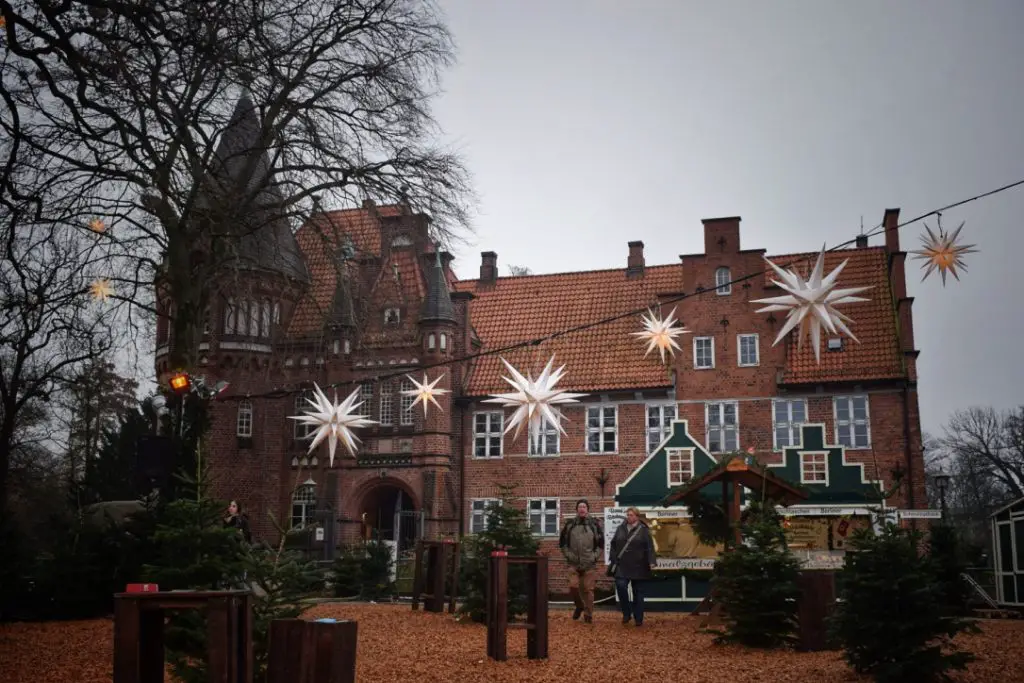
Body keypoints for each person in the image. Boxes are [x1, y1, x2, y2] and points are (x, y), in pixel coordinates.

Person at [609, 506, 657, 626]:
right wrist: (614, 559)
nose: (629, 517)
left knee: (638, 593)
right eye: (628, 515)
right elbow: (613, 544)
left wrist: (652, 561)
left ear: (637, 516)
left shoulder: (644, 530)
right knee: (620, 586)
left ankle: (638, 617)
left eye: (631, 515)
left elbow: (649, 547)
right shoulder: (621, 528)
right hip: (622, 565)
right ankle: (626, 612)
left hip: (639, 565)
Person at [558, 499, 603, 623]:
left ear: (587, 509)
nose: (582, 508)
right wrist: (569, 555)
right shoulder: (570, 525)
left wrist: (594, 557)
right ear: (577, 510)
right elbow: (562, 544)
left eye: (584, 506)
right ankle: (579, 606)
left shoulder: (594, 525)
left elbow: (600, 544)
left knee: (588, 590)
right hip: (573, 563)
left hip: (589, 564)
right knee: (573, 586)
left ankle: (588, 614)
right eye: (580, 506)